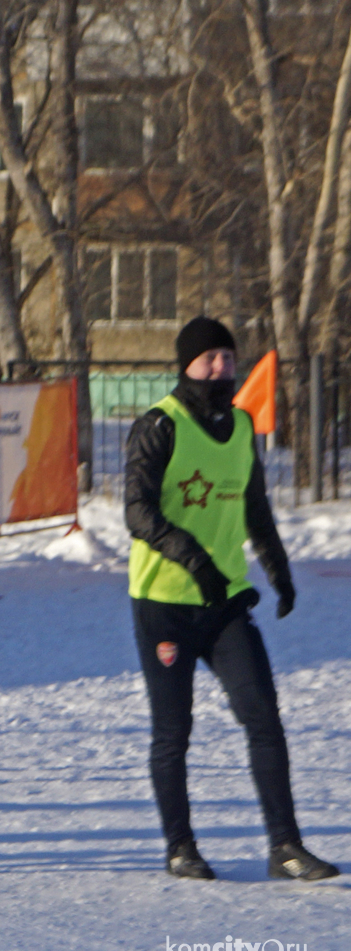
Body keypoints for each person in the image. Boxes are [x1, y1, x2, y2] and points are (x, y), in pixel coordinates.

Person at [124, 316, 338, 882]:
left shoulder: (242, 426)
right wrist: (194, 558)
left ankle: (285, 847)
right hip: (164, 602)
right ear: (186, 364)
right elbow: (138, 512)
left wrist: (279, 570)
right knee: (174, 731)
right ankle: (180, 847)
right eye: (208, 359)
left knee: (263, 716)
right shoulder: (158, 425)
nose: (220, 368)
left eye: (227, 357)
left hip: (225, 605)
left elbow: (254, 507)